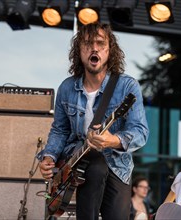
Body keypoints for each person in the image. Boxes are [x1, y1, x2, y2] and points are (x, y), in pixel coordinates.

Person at [37, 22, 149, 220]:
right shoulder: (67, 88)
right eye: (87, 43)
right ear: (79, 50)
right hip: (77, 158)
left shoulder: (126, 86)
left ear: (109, 50)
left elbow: (140, 132)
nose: (94, 48)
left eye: (100, 43)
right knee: (96, 166)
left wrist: (112, 140)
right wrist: (49, 157)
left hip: (118, 165)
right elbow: (60, 130)